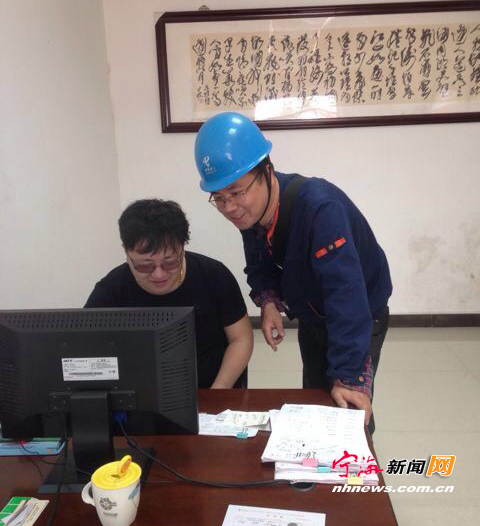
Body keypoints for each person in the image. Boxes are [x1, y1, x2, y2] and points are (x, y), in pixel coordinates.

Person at [194, 112, 392, 433]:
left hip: (359, 314)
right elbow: (258, 262)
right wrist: (269, 301)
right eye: (219, 197)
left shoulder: (320, 210)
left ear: (266, 171)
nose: (229, 207)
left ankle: (356, 458)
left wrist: (348, 376)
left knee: (347, 405)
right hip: (312, 312)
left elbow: (346, 295)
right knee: (316, 396)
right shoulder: (252, 212)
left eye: (237, 192)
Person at [85, 198, 253, 389]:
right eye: (145, 265)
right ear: (126, 253)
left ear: (182, 249)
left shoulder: (213, 275)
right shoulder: (111, 290)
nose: (159, 274)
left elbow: (241, 339)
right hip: (138, 395)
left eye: (171, 262)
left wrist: (219, 391)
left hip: (209, 389)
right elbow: (85, 351)